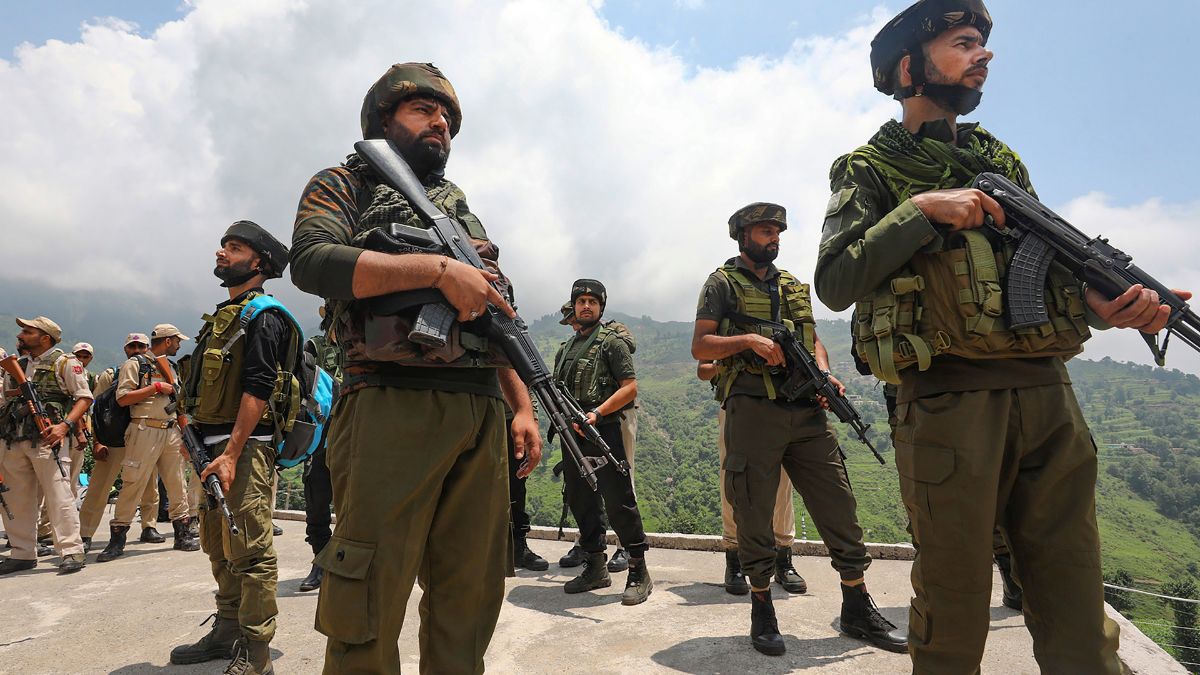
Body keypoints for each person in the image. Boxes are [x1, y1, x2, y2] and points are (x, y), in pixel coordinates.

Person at [813, 2, 1189, 670]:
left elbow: (1044, 273)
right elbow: (837, 280)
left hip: (1049, 398)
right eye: (963, 43)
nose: (983, 55)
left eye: (983, 45)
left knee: (1075, 603)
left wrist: (1110, 307)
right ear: (910, 66)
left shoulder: (1000, 159)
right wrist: (922, 210)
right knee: (954, 610)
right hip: (950, 406)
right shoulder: (870, 167)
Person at [289, 62, 542, 673]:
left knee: (470, 595)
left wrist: (524, 406)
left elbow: (490, 313)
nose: (441, 126)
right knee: (367, 592)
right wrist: (433, 271)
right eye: (424, 112)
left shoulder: (460, 210)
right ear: (383, 119)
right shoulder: (343, 184)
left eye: (448, 120)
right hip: (389, 404)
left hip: (479, 411)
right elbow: (312, 261)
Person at [692, 203, 906, 656]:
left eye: (777, 232)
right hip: (752, 409)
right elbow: (702, 344)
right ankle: (762, 608)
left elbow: (812, 341)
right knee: (753, 510)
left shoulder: (791, 284)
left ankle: (855, 606)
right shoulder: (722, 283)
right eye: (765, 231)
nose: (774, 238)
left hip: (806, 410)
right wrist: (748, 341)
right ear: (743, 236)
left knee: (839, 505)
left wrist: (823, 371)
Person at [169, 221, 291, 674]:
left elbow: (259, 387)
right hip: (209, 448)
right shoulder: (226, 314)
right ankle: (226, 631)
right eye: (222, 246)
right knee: (219, 547)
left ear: (257, 262)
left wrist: (233, 452)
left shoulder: (264, 315)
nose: (221, 253)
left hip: (243, 451)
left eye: (234, 247)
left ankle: (257, 655)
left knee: (251, 552)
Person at [552, 279, 651, 604]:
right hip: (573, 431)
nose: (585, 306)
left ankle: (638, 570)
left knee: (618, 499)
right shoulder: (565, 349)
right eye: (580, 301)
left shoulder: (612, 342)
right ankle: (595, 566)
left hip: (603, 427)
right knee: (581, 499)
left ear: (601, 307)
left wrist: (595, 413)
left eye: (592, 301)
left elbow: (629, 388)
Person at [696, 360, 803, 596]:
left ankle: (783, 559)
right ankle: (734, 559)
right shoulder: (723, 324)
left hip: (781, 401)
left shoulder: (780, 321)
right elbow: (703, 370)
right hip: (737, 403)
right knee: (734, 481)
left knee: (782, 484)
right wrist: (736, 358)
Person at [96, 324, 200, 561]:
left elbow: (178, 402)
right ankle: (117, 538)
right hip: (144, 429)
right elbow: (122, 398)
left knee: (177, 485)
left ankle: (182, 533)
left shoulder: (172, 367)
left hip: (171, 430)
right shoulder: (135, 364)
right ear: (166, 341)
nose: (179, 345)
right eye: (176, 341)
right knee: (133, 483)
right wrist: (155, 387)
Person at [0, 317, 90, 574]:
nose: (21, 334)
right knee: (16, 499)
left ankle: (71, 551)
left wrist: (64, 426)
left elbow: (84, 398)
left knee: (59, 496)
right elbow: (5, 400)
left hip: (47, 439)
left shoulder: (65, 362)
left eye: (27, 331)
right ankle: (22, 553)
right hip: (14, 438)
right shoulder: (17, 365)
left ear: (45, 338)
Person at [77, 334, 161, 552]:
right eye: (131, 346)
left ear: (147, 348)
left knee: (148, 485)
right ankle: (85, 534)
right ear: (125, 349)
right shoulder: (111, 374)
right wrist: (97, 442)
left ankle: (148, 526)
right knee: (99, 488)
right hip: (114, 441)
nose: (136, 349)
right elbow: (96, 409)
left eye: (140, 346)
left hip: (142, 438)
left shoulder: (154, 372)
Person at [298, 316, 340, 593]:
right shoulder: (315, 347)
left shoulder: (368, 343)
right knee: (317, 499)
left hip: (358, 429)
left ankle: (346, 562)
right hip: (322, 434)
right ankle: (320, 561)